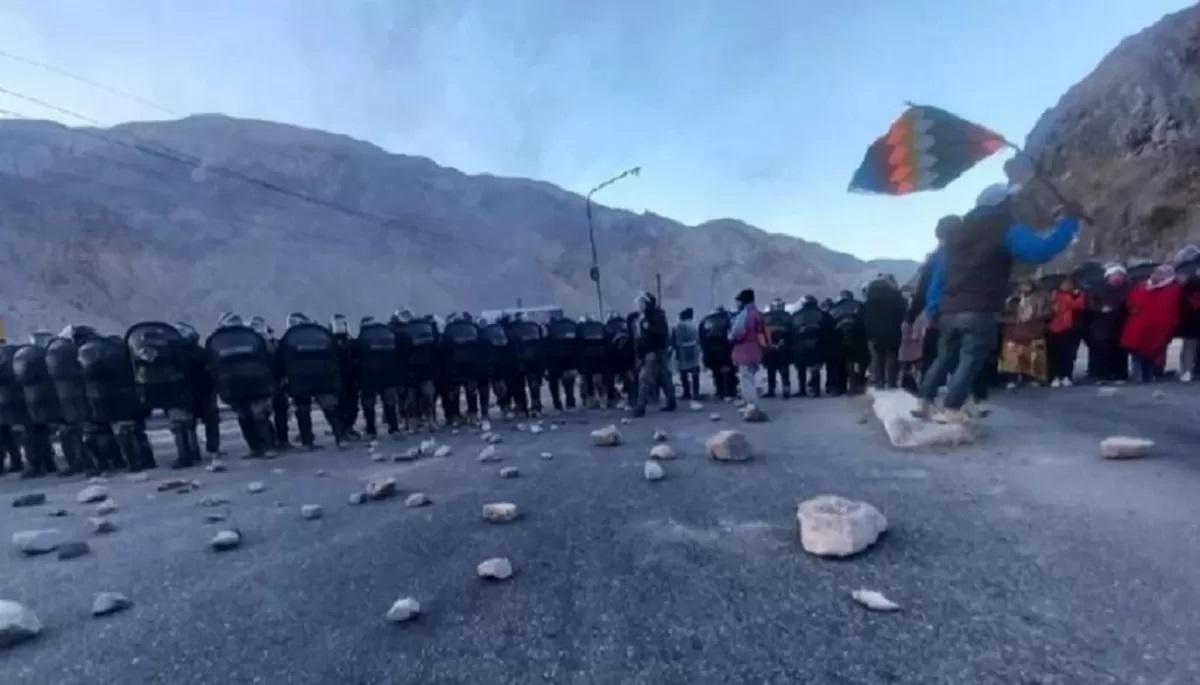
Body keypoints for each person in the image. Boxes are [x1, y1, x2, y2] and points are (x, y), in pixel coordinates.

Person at [915, 183, 1080, 423]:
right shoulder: (1005, 227)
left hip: (948, 310)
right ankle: (951, 408)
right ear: (1002, 203)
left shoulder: (958, 232)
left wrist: (932, 309)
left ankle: (925, 401)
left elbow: (940, 274)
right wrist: (1069, 224)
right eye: (1009, 201)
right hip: (979, 307)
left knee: (945, 357)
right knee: (971, 359)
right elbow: (1039, 251)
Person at [127, 321, 202, 469]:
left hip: (149, 389)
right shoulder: (177, 347)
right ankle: (190, 453)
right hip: (175, 387)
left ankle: (179, 457)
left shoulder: (141, 352)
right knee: (182, 423)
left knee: (178, 424)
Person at [206, 314, 277, 458]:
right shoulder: (253, 336)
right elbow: (269, 357)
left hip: (232, 386)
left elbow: (210, 362)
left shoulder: (217, 340)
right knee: (259, 417)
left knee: (244, 417)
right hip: (257, 383)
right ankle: (267, 447)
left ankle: (255, 448)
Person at [280, 314, 347, 447]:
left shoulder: (290, 336)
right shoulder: (321, 332)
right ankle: (341, 437)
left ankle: (307, 441)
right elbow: (338, 353)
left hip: (300, 380)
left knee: (303, 410)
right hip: (324, 378)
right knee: (331, 409)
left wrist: (283, 378)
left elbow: (280, 359)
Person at [1121, 264, 1182, 382]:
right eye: (1155, 273)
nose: (1155, 275)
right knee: (1137, 349)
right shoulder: (1142, 286)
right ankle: (1139, 374)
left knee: (1153, 350)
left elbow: (1172, 308)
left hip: (1158, 326)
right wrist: (1132, 308)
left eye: (1159, 273)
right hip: (1139, 324)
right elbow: (1132, 300)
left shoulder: (1173, 289)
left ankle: (1151, 373)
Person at [998, 280, 1050, 387]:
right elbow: (1003, 314)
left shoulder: (1041, 298)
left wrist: (1039, 315)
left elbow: (1048, 312)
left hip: (1033, 330)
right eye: (1023, 285)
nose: (1025, 287)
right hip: (1014, 331)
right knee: (1013, 356)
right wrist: (1013, 319)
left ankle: (1030, 377)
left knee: (1032, 355)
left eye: (1028, 285)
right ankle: (1012, 378)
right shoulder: (1012, 299)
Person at [632, 292, 676, 417]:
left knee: (644, 379)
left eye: (642, 303)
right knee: (664, 376)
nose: (640, 306)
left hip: (653, 351)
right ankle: (671, 401)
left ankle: (640, 407)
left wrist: (647, 328)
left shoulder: (655, 317)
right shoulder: (650, 316)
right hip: (653, 351)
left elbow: (659, 334)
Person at [1085, 264, 1130, 382]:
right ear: (1108, 276)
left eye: (1120, 276)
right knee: (1101, 351)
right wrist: (1100, 308)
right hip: (1101, 325)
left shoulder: (1127, 289)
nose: (1118, 278)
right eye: (1115, 276)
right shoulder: (1097, 288)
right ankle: (1099, 375)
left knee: (1120, 351)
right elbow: (1089, 303)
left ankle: (1119, 374)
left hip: (1120, 324)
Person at [863, 275, 907, 390]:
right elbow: (903, 313)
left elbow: (866, 319)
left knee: (878, 358)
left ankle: (879, 382)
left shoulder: (869, 301)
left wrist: (869, 334)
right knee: (892, 356)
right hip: (894, 331)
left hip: (875, 334)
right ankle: (892, 382)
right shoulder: (897, 298)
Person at [729, 288, 767, 405]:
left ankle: (751, 405)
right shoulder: (757, 313)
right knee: (751, 378)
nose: (737, 303)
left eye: (739, 301)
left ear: (743, 301)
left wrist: (730, 337)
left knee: (746, 379)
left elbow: (737, 332)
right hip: (756, 350)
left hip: (744, 351)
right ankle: (752, 403)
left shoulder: (745, 314)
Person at [789, 295, 832, 397]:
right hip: (818, 344)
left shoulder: (796, 315)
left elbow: (791, 330)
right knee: (816, 367)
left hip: (801, 345)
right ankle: (816, 390)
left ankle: (802, 390)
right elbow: (829, 329)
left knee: (801, 368)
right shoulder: (823, 314)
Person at [1047, 277, 1085, 386]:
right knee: (1054, 354)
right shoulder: (1053, 295)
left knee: (1068, 354)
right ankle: (1054, 376)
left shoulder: (1076, 295)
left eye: (1069, 284)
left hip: (1070, 328)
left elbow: (1079, 305)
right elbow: (1051, 308)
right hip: (1054, 327)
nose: (1066, 286)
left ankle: (1067, 375)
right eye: (1064, 284)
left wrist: (1077, 295)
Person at [828, 291, 867, 395]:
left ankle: (841, 387)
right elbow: (865, 321)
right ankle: (856, 385)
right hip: (857, 338)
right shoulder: (860, 305)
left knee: (840, 363)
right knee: (856, 362)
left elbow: (829, 323)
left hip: (839, 338)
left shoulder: (835, 308)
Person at [330, 314, 361, 439]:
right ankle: (344, 428)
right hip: (343, 378)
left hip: (345, 378)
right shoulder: (349, 343)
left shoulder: (331, 342)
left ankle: (345, 428)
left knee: (348, 405)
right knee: (345, 405)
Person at [1174, 247, 1200, 382]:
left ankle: (1189, 370)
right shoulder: (1188, 280)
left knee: (1190, 345)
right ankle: (1187, 370)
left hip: (1191, 317)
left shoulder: (1186, 276)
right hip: (1191, 317)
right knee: (1190, 345)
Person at [544, 314, 580, 412]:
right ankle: (570, 401)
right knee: (569, 381)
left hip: (555, 358)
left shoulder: (550, 328)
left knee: (554, 381)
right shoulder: (572, 325)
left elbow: (546, 344)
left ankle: (557, 403)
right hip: (570, 357)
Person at [699, 307, 735, 399]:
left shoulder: (706, 320)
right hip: (726, 350)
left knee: (716, 371)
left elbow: (701, 337)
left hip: (711, 351)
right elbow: (733, 335)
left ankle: (719, 390)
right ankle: (729, 391)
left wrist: (705, 350)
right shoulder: (729, 319)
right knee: (729, 370)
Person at [762, 299, 794, 398]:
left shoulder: (765, 317)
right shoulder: (788, 317)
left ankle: (771, 390)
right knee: (784, 369)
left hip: (769, 347)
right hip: (784, 347)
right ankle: (786, 390)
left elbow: (761, 332)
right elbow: (793, 332)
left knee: (771, 369)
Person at [672, 308, 701, 400]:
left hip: (683, 350)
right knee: (695, 371)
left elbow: (678, 340)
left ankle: (687, 392)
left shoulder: (680, 325)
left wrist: (676, 350)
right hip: (694, 348)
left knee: (683, 372)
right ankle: (696, 393)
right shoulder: (693, 324)